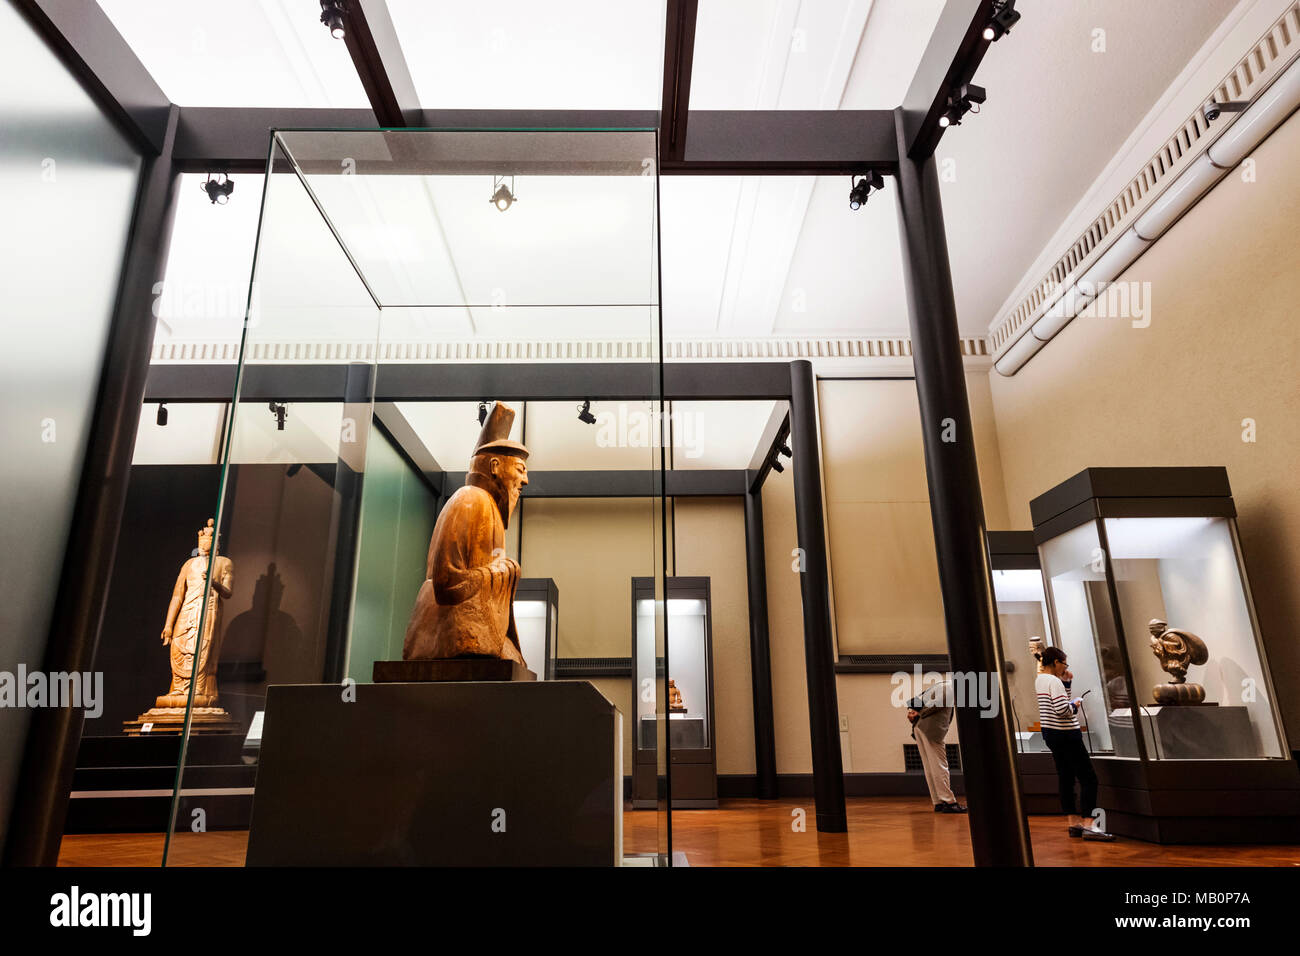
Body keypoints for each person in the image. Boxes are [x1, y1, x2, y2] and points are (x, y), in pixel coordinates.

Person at [1034, 646, 1114, 841]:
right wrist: (1076, 704)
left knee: (1066, 777)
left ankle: (1073, 823)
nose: (1065, 668)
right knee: (1088, 778)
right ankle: (1090, 824)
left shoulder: (1041, 680)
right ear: (1056, 662)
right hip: (1067, 734)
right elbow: (1062, 711)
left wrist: (1067, 685)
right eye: (1064, 664)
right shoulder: (1054, 681)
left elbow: (1056, 705)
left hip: (1051, 734)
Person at [907, 679, 966, 813]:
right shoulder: (949, 688)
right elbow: (937, 704)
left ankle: (938, 802)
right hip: (930, 729)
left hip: (921, 727)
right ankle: (949, 802)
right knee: (940, 765)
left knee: (930, 765)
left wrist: (913, 711)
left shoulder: (940, 685)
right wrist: (919, 712)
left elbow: (916, 700)